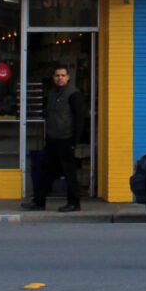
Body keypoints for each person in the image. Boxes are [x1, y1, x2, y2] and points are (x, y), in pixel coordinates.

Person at [23, 64, 86, 212]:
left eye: (63, 75)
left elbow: (79, 119)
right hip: (53, 139)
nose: (60, 78)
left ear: (68, 77)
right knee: (46, 171)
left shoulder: (73, 94)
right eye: (57, 75)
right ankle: (39, 202)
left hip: (66, 139)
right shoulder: (52, 93)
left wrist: (74, 141)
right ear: (53, 78)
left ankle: (74, 203)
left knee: (69, 172)